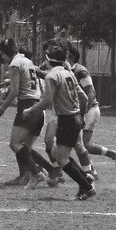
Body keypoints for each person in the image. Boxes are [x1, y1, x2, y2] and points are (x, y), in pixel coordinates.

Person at [22, 39, 96, 200]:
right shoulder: (68, 73)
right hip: (75, 118)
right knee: (59, 154)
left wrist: (30, 110)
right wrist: (80, 115)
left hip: (66, 120)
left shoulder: (52, 76)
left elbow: (47, 100)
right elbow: (83, 97)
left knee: (61, 158)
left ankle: (87, 187)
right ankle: (86, 179)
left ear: (48, 59)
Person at [0, 38, 54, 188]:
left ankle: (37, 174)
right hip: (38, 106)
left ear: (4, 53)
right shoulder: (27, 61)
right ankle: (48, 172)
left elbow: (14, 91)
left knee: (15, 144)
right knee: (25, 147)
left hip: (27, 105)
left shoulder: (14, 64)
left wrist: (1, 109)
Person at [66, 43, 116, 176]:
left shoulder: (80, 71)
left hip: (89, 110)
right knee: (80, 144)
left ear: (71, 56)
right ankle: (92, 170)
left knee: (83, 144)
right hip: (79, 111)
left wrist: (83, 113)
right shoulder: (66, 70)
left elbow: (91, 93)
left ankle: (107, 159)